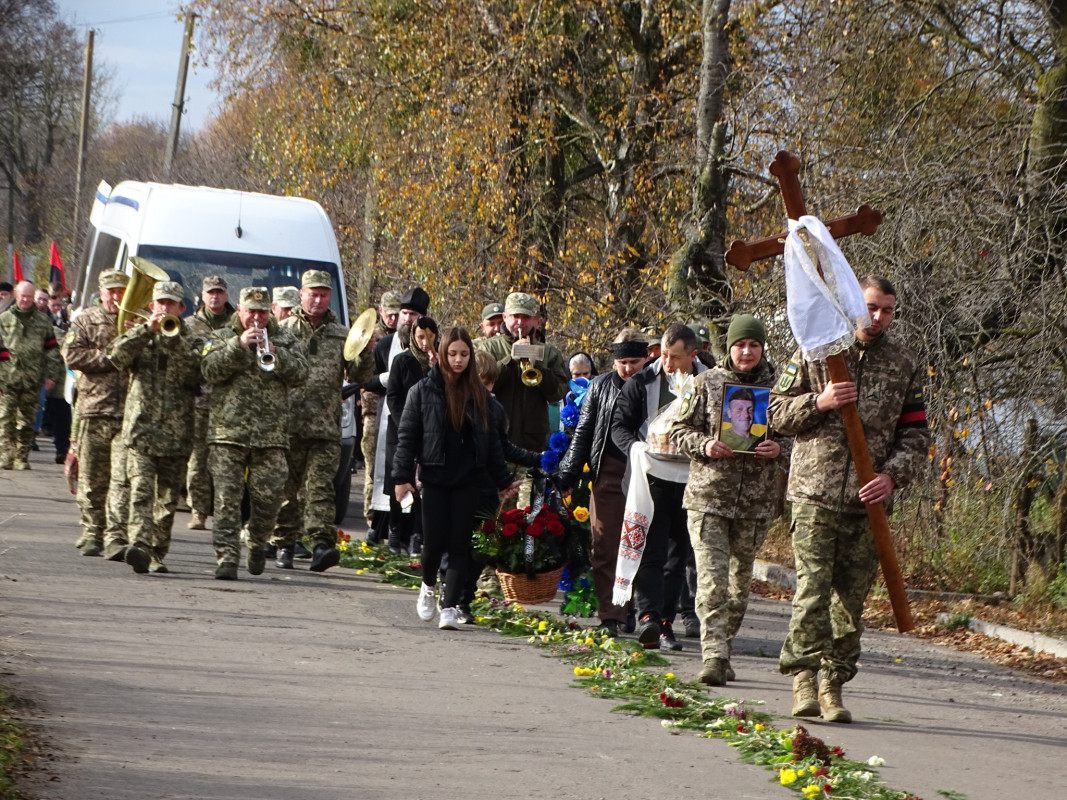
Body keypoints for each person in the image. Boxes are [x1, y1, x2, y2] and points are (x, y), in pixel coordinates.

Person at [768, 275, 929, 722]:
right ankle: (803, 679)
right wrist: (818, 402)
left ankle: (833, 685)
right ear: (854, 302)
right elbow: (776, 413)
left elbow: (916, 434)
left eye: (887, 310)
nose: (877, 317)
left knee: (850, 603)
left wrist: (891, 477)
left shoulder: (903, 363)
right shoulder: (816, 349)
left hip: (867, 503)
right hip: (814, 493)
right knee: (812, 591)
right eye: (871, 307)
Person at [670, 314, 786, 686]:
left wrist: (779, 449)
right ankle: (714, 657)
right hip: (709, 499)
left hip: (755, 504)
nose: (746, 352)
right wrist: (704, 444)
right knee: (712, 582)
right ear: (729, 347)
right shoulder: (705, 383)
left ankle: (725, 647)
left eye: (754, 345)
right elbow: (678, 430)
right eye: (740, 345)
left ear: (763, 347)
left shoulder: (780, 388)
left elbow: (799, 436)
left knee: (738, 587)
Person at [393, 327, 514, 630]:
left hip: (468, 479)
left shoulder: (480, 397)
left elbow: (493, 445)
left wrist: (503, 481)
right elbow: (407, 438)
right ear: (443, 355)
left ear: (471, 357)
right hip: (435, 478)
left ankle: (448, 607)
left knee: (460, 545)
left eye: (464, 354)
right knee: (433, 545)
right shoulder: (422, 391)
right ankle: (428, 587)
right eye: (452, 354)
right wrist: (401, 477)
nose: (458, 360)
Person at [611, 322, 708, 649]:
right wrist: (635, 448)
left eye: (675, 357)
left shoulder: (711, 381)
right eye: (664, 354)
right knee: (650, 551)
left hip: (692, 479)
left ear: (693, 355)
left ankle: (666, 622)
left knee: (678, 556)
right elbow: (619, 425)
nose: (667, 363)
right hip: (651, 476)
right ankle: (648, 617)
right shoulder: (643, 381)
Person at [201, 286, 308, 580]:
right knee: (226, 500)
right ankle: (226, 557)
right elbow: (208, 371)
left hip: (271, 436)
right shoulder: (221, 336)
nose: (257, 318)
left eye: (262, 311)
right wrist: (237, 346)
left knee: (269, 500)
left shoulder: (286, 339)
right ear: (239, 309)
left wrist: (278, 355)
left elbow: (302, 374)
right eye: (251, 311)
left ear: (271, 310)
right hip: (227, 434)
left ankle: (257, 541)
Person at [272, 270, 374, 571]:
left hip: (326, 427)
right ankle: (285, 543)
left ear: (330, 297)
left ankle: (320, 545)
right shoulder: (283, 330)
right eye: (313, 294)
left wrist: (365, 353)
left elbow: (359, 376)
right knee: (287, 490)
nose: (318, 300)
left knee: (321, 489)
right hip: (288, 425)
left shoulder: (342, 334)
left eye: (324, 295)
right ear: (301, 294)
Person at [107, 281, 202, 574]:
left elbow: (196, 375)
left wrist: (175, 342)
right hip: (141, 430)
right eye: (160, 303)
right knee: (140, 492)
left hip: (177, 434)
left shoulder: (194, 340)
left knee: (167, 502)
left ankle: (157, 552)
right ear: (152, 306)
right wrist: (144, 332)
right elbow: (116, 357)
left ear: (181, 308)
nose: (165, 308)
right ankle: (140, 547)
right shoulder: (139, 333)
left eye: (171, 304)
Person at [558, 327, 647, 637]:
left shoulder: (655, 385)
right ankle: (611, 615)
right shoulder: (600, 386)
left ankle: (633, 607)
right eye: (623, 363)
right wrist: (568, 473)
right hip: (608, 471)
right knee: (605, 544)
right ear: (614, 361)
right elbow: (584, 432)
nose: (629, 368)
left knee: (637, 544)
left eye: (635, 362)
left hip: (647, 473)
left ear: (646, 359)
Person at [475, 292, 569, 505]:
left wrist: (539, 368)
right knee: (495, 513)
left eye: (526, 317)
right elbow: (479, 386)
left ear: (537, 320)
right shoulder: (487, 348)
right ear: (505, 317)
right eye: (515, 316)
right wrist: (510, 360)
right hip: (497, 447)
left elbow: (558, 394)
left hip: (531, 447)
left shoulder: (549, 352)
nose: (520, 322)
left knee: (527, 513)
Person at [62, 270, 130, 557]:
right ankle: (92, 531)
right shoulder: (85, 319)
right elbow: (71, 356)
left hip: (130, 413)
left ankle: (117, 535)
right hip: (94, 409)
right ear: (101, 292)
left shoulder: (137, 321)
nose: (116, 296)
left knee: (123, 479)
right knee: (92, 477)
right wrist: (111, 358)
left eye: (121, 290)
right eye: (111, 291)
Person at [365, 286, 431, 546]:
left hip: (425, 423)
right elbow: (366, 379)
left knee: (419, 477)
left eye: (413, 314)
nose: (407, 319)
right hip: (392, 420)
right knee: (394, 473)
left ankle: (415, 534)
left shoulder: (432, 345)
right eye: (404, 313)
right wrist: (386, 378)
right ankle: (389, 530)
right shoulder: (384, 345)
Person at [383, 315, 439, 554]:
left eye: (430, 337)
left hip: (429, 432)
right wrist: (406, 424)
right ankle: (395, 530)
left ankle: (417, 534)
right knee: (398, 479)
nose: (425, 343)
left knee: (422, 484)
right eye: (420, 337)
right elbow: (393, 396)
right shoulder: (402, 360)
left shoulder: (439, 362)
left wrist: (437, 369)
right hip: (401, 430)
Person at [185, 275, 236, 531]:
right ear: (202, 296)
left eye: (219, 292)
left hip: (230, 406)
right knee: (198, 461)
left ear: (226, 295)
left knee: (226, 464)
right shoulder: (189, 325)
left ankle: (226, 513)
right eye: (210, 292)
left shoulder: (238, 324)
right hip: (199, 402)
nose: (214, 297)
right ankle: (198, 511)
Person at [0, 281, 63, 470]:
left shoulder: (43, 322)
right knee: (5, 419)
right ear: (16, 296)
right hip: (7, 380)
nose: (26, 300)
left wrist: (52, 375)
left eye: (29, 296)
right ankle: (5, 456)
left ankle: (21, 457)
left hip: (32, 380)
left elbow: (52, 350)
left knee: (27, 421)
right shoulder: (4, 319)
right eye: (22, 296)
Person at [360, 290, 400, 540]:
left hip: (397, 413)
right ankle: (372, 519)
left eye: (398, 314)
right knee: (372, 468)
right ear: (380, 311)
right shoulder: (370, 334)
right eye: (390, 314)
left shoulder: (408, 336)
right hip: (374, 411)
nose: (394, 319)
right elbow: (360, 373)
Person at [719, 386, 761, 452]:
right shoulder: (719, 439)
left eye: (750, 409)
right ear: (729, 413)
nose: (746, 415)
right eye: (739, 409)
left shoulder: (761, 442)